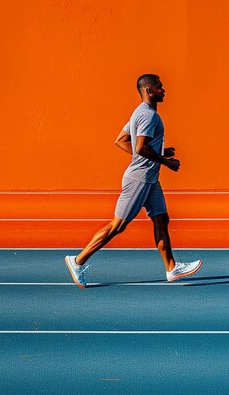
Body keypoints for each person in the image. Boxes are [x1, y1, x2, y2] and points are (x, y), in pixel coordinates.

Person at [65, 73, 202, 288]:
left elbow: (120, 141)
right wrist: (166, 161)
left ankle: (171, 268)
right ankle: (78, 260)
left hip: (150, 179)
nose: (163, 90)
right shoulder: (149, 116)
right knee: (117, 226)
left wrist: (160, 150)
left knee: (161, 219)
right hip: (139, 179)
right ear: (149, 90)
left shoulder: (140, 113)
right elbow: (140, 147)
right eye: (159, 87)